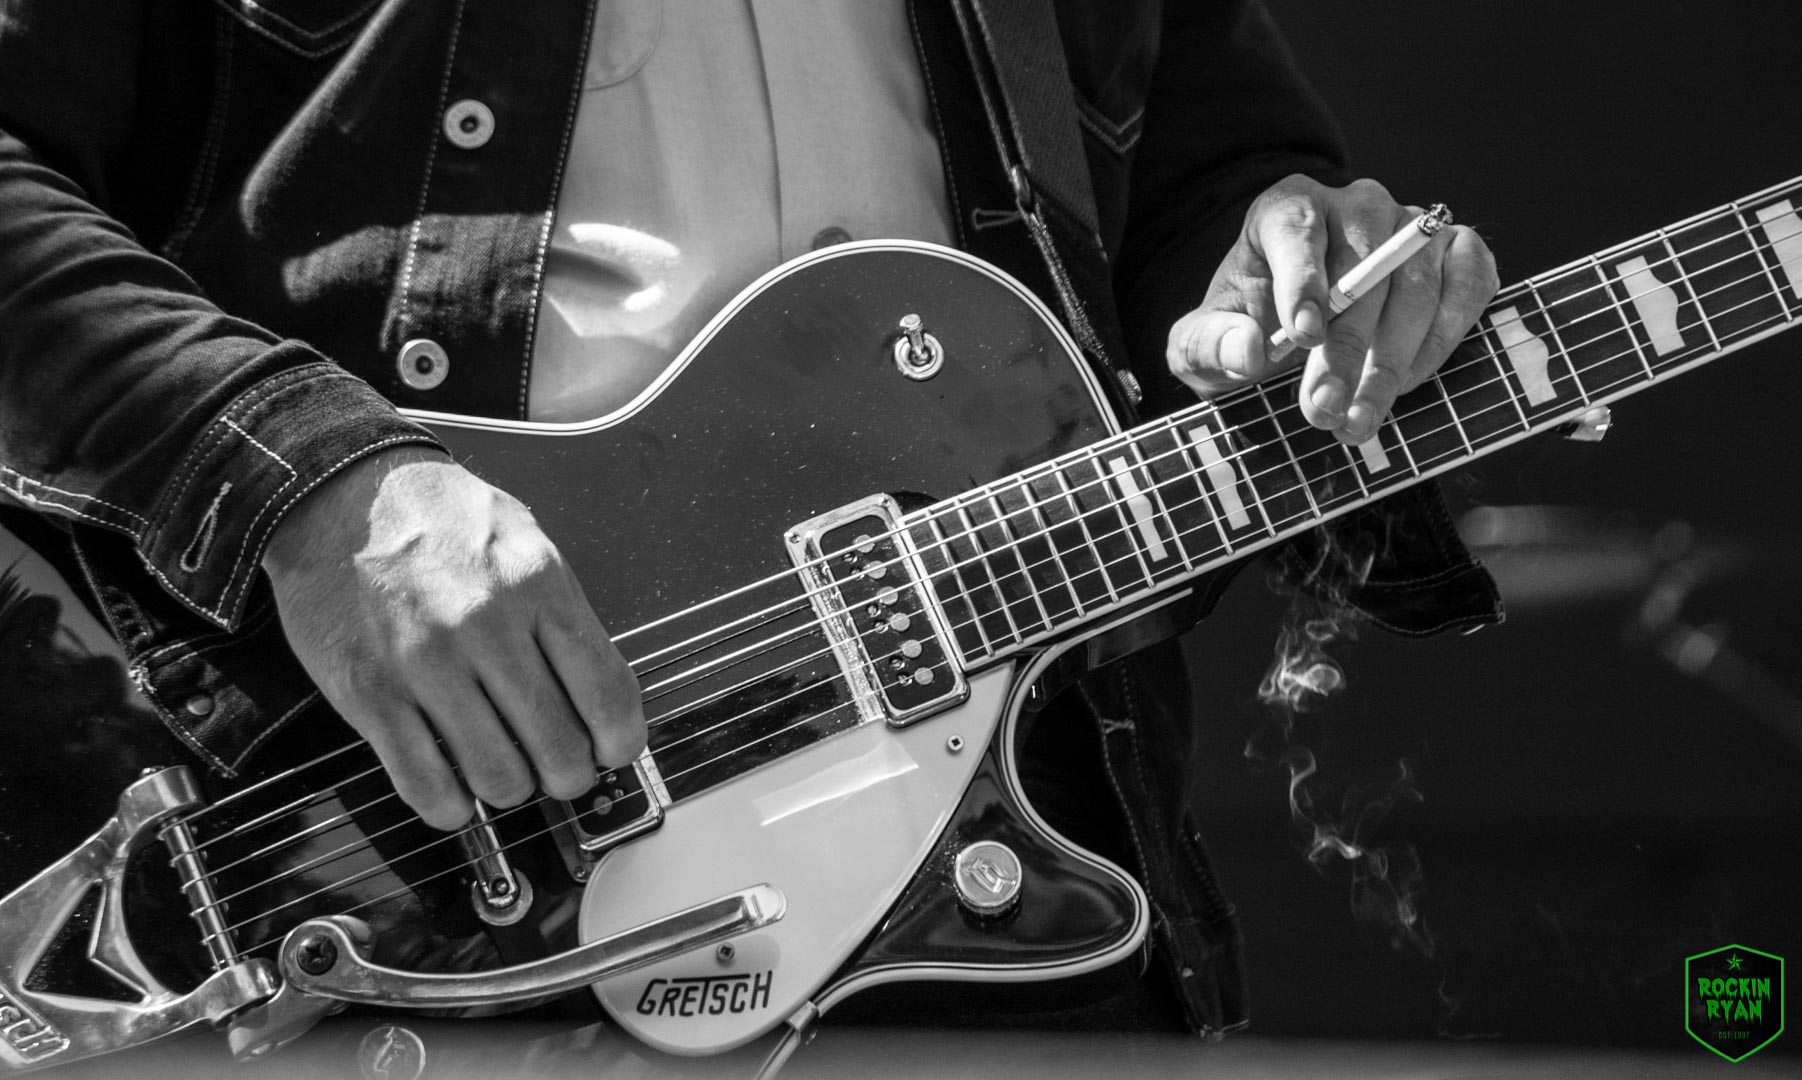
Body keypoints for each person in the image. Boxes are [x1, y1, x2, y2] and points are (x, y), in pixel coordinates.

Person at [0, 0, 1501, 1041]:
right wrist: (314, 489)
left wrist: (1295, 271)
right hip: (362, 829)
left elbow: (1195, 180)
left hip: (985, 848)